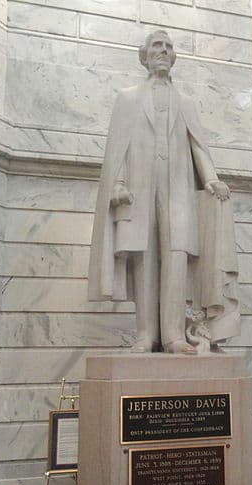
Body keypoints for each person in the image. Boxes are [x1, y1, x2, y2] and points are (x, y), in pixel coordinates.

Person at [88, 30, 240, 353]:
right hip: (139, 189)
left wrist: (211, 179)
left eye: (169, 47)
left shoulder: (185, 103)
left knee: (176, 256)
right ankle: (146, 334)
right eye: (157, 46)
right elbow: (118, 149)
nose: (164, 51)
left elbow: (198, 146)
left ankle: (173, 336)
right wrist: (116, 184)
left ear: (174, 58)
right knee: (144, 256)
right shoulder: (127, 98)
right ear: (144, 55)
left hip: (179, 190)